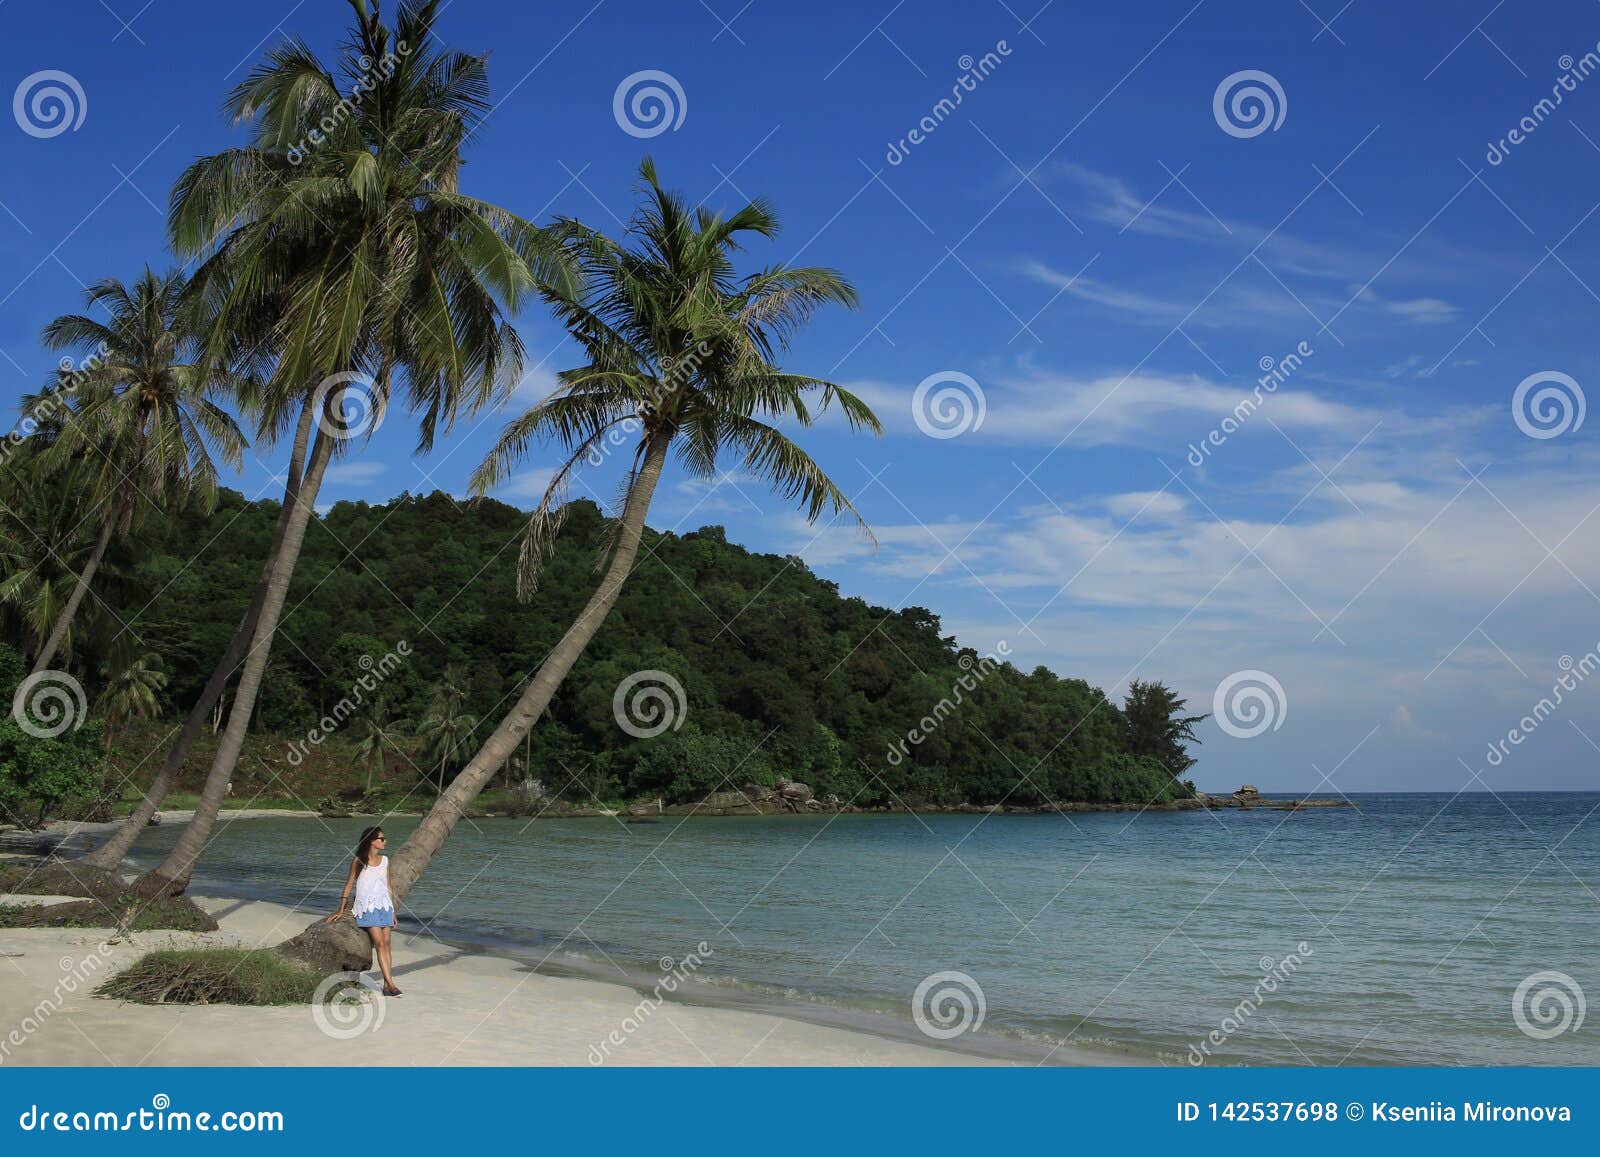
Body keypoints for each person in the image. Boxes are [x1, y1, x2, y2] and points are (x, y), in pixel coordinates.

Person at [329, 826, 402, 996]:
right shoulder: (358, 861)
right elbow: (349, 885)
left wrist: (392, 911)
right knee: (380, 943)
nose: (385, 841)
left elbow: (388, 886)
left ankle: (386, 984)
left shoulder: (385, 860)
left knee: (387, 944)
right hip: (367, 908)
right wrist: (341, 909)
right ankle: (391, 983)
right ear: (372, 841)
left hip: (384, 906)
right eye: (381, 839)